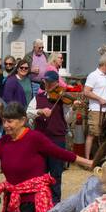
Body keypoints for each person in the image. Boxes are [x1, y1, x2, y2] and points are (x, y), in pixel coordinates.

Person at [28, 71, 82, 203]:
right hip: (40, 139)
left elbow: (68, 119)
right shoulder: (38, 97)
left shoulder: (63, 100)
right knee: (40, 171)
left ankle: (55, 201)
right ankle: (40, 199)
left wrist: (73, 109)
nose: (48, 85)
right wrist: (40, 111)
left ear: (57, 83)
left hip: (57, 139)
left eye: (51, 83)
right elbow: (27, 112)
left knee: (56, 172)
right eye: (46, 82)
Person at [83, 48, 106, 161]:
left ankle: (101, 158)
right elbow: (86, 92)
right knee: (92, 134)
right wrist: (99, 99)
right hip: (95, 109)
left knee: (104, 135)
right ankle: (87, 159)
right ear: (105, 63)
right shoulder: (93, 75)